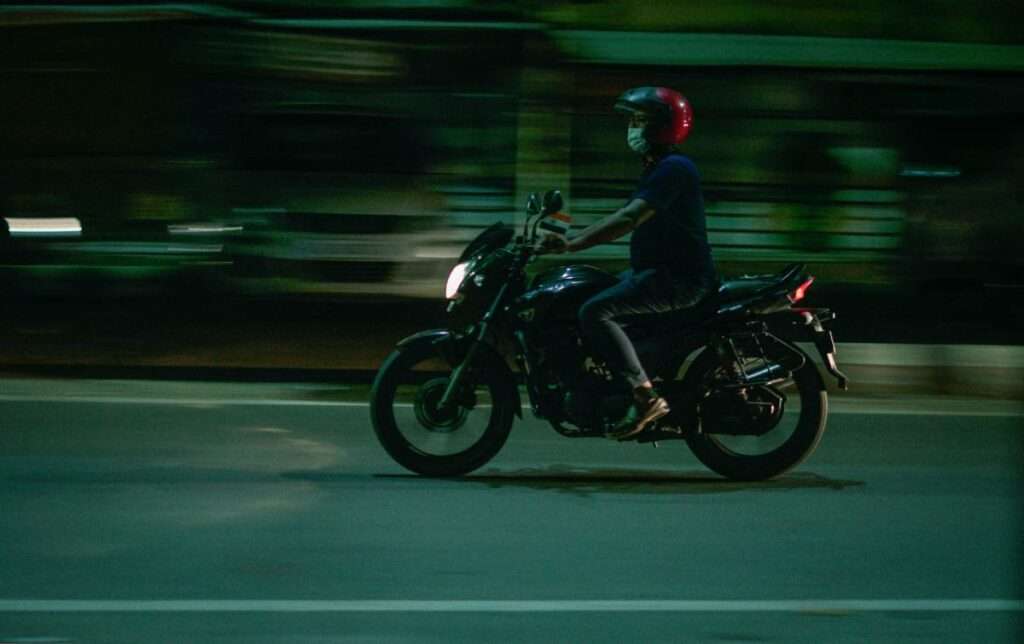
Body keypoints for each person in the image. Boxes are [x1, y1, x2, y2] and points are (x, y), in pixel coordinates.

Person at [536, 86, 717, 440]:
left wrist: (573, 244)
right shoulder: (657, 168)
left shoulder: (675, 169)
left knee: (594, 312)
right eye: (632, 121)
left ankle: (644, 396)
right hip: (654, 273)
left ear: (662, 127)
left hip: (678, 280)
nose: (632, 129)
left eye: (639, 121)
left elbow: (629, 218)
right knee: (581, 294)